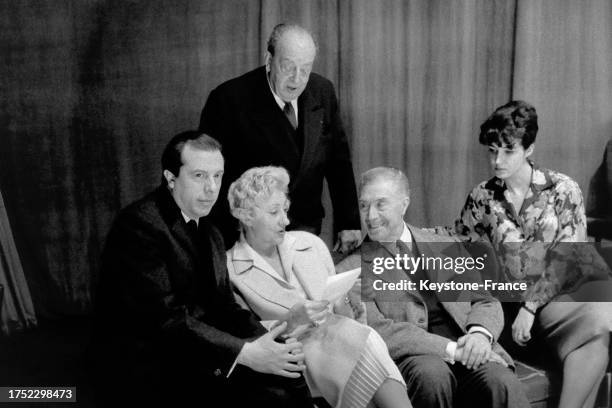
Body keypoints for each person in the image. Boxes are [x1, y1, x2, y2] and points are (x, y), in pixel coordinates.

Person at [92, 132, 312, 407]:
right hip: (152, 361)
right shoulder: (140, 225)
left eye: (217, 176)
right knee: (273, 395)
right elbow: (165, 321)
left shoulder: (209, 230)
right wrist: (247, 353)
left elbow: (225, 307)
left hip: (197, 347)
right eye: (199, 176)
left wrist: (266, 342)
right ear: (171, 179)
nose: (211, 188)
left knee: (288, 367)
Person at [438, 100, 610, 408]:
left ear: (529, 149)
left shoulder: (563, 189)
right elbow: (462, 249)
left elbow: (570, 258)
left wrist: (529, 309)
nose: (497, 160)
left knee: (600, 315)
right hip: (516, 300)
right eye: (492, 150)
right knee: (598, 337)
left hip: (572, 291)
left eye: (508, 151)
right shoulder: (482, 197)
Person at [337, 166, 530, 408]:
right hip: (413, 360)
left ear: (404, 204)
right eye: (364, 205)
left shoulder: (444, 245)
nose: (370, 216)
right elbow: (377, 331)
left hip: (468, 347)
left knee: (500, 380)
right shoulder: (351, 269)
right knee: (432, 374)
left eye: (381, 204)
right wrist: (450, 349)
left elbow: (484, 300)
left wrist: (480, 336)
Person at [225, 166, 411, 408]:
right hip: (293, 353)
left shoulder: (310, 244)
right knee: (363, 341)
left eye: (285, 209)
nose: (286, 220)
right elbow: (243, 336)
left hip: (341, 339)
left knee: (361, 338)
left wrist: (347, 300)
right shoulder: (230, 268)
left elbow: (343, 313)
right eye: (274, 212)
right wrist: (292, 320)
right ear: (245, 216)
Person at [199, 23, 360, 254]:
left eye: (305, 69)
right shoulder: (228, 100)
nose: (296, 78)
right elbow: (210, 174)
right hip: (247, 234)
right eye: (287, 67)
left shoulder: (322, 91)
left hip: (305, 229)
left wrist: (349, 222)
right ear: (269, 59)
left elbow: (339, 162)